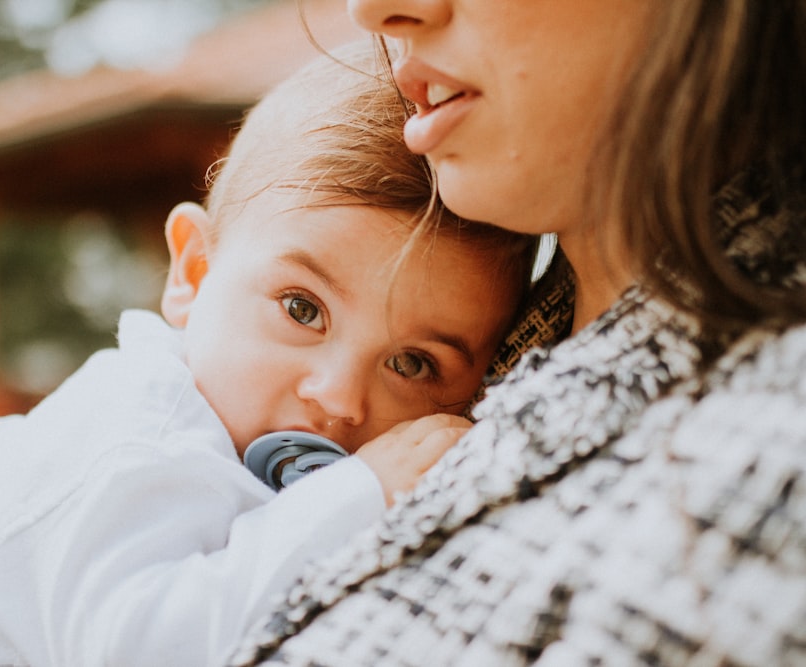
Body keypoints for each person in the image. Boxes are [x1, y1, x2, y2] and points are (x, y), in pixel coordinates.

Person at [0, 41, 537, 667]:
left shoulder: (234, 441)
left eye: (412, 363)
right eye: (302, 308)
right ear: (193, 270)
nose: (338, 394)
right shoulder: (132, 433)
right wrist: (358, 496)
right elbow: (142, 649)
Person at [228, 2, 806, 665]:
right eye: (302, 308)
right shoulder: (518, 354)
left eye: (413, 361)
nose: (374, 11)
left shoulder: (769, 454)